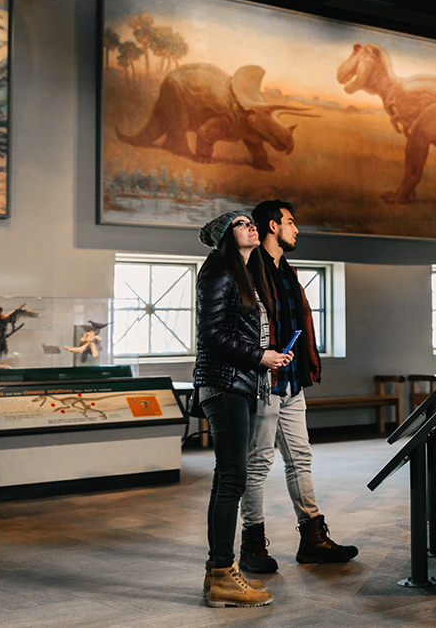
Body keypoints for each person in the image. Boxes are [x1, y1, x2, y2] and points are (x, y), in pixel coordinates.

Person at [238, 200, 359, 574]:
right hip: (263, 381)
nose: (296, 229)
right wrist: (262, 356)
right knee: (258, 464)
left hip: (291, 382)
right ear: (272, 226)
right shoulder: (248, 270)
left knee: (300, 459)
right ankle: (252, 544)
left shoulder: (286, 271)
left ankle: (312, 538)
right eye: (290, 222)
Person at [193, 210, 293, 607]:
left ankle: (217, 574)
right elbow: (212, 335)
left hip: (238, 383)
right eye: (240, 223)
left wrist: (265, 357)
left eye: (250, 220)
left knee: (230, 478)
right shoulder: (219, 269)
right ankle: (221, 575)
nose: (250, 224)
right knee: (232, 478)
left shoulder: (245, 273)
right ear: (224, 236)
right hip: (224, 383)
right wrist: (259, 357)